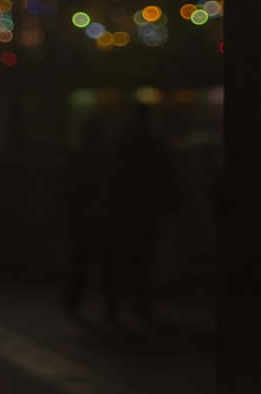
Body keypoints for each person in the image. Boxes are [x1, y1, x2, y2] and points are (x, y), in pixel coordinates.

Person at [112, 102, 181, 322]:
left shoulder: (124, 146)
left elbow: (114, 178)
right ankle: (143, 302)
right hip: (148, 209)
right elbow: (169, 178)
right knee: (146, 255)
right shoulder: (155, 147)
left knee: (130, 257)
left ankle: (133, 301)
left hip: (128, 209)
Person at [62, 112, 120, 322]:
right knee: (107, 266)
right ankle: (111, 308)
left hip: (87, 217)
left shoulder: (81, 157)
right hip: (105, 216)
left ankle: (72, 302)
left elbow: (71, 191)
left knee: (82, 262)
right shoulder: (108, 157)